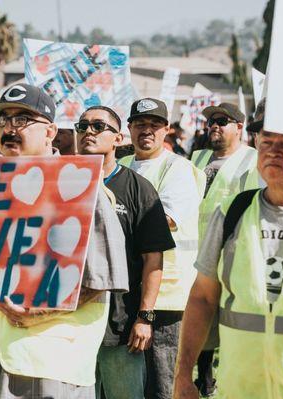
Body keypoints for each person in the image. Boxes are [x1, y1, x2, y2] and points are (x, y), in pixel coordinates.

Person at [0, 83, 129, 399]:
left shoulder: (80, 189)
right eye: (3, 120)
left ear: (51, 132)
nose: (10, 129)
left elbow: (103, 279)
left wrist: (40, 312)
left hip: (44, 366)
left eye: (23, 119)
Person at [174, 101, 283, 399]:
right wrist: (183, 374)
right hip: (240, 390)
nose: (273, 151)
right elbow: (202, 297)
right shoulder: (233, 212)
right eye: (266, 141)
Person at [75, 105, 176, 398]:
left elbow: (153, 259)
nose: (88, 132)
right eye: (82, 126)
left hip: (119, 322)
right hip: (69, 322)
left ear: (118, 139)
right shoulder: (64, 180)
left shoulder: (138, 188)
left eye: (97, 126)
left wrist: (144, 318)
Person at [119, 98, 205, 399]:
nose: (147, 131)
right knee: (132, 382)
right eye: (140, 124)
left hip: (167, 296)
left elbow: (166, 220)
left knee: (163, 381)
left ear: (166, 130)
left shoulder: (177, 168)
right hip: (130, 289)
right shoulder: (122, 165)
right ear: (128, 128)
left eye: (155, 125)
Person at [190, 102, 263, 396]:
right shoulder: (198, 157)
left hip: (229, 248)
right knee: (200, 313)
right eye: (211, 122)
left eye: (222, 120)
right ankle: (204, 376)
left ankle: (220, 376)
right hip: (194, 248)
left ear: (240, 127)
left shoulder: (251, 160)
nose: (214, 126)